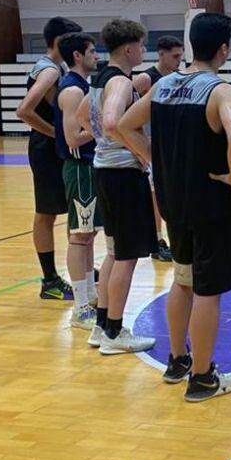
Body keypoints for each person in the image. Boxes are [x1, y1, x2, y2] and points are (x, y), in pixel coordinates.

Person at [119, 13, 231, 403]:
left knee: (183, 278)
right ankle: (204, 376)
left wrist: (152, 160)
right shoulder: (221, 91)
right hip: (210, 201)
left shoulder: (162, 88)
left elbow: (122, 125)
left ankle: (178, 360)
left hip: (173, 200)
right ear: (224, 48)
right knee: (208, 289)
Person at [78, 19, 158, 355]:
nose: (143, 51)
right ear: (129, 48)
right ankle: (114, 333)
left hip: (104, 171)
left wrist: (106, 142)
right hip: (123, 175)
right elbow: (111, 122)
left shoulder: (99, 79)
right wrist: (141, 153)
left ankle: (101, 326)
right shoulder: (121, 82)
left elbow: (84, 116)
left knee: (113, 252)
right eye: (141, 45)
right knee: (127, 257)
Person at [15, 16, 82, 301]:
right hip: (46, 148)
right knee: (46, 213)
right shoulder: (50, 71)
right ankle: (50, 280)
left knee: (67, 210)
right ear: (59, 41)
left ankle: (81, 267)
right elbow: (24, 111)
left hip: (50, 147)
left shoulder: (54, 67)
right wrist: (56, 133)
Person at [53, 32, 111, 330]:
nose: (97, 56)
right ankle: (80, 309)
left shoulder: (82, 87)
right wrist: (104, 128)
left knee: (87, 235)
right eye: (91, 51)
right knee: (79, 236)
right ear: (77, 55)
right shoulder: (72, 91)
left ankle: (88, 298)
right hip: (79, 167)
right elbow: (72, 138)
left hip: (89, 167)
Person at [134, 34, 184, 263]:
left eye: (180, 56)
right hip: (151, 143)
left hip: (171, 142)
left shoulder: (177, 77)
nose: (178, 61)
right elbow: (128, 111)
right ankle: (157, 241)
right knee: (156, 195)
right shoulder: (146, 78)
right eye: (174, 56)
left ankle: (169, 237)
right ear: (161, 54)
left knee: (170, 193)